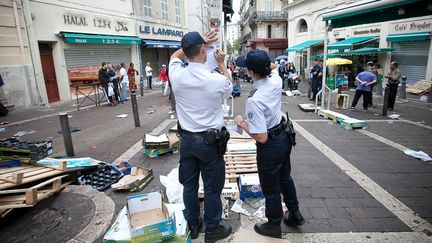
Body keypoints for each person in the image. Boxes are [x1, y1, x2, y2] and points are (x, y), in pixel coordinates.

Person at [168, 31, 233, 242]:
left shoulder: (176, 73)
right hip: (209, 143)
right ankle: (213, 228)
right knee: (213, 189)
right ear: (204, 49)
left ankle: (193, 223)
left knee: (189, 185)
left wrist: (200, 42)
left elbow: (174, 57)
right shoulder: (215, 79)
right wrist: (222, 64)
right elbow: (230, 87)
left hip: (186, 140)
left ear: (186, 52)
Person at [234, 49, 304, 239]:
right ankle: (295, 214)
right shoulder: (275, 79)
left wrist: (241, 123)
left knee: (271, 186)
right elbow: (272, 66)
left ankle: (273, 224)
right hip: (284, 137)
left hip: (271, 144)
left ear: (249, 71)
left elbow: (261, 137)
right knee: (285, 178)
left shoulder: (254, 100)